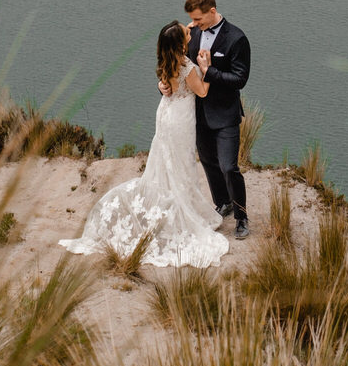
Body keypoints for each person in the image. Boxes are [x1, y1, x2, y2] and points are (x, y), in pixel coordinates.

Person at [58, 21, 229, 267]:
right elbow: (202, 92)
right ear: (181, 44)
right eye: (187, 32)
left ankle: (170, 202)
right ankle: (181, 210)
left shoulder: (165, 62)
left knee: (166, 161)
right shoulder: (187, 66)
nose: (191, 30)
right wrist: (207, 67)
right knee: (182, 164)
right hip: (181, 119)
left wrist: (165, 84)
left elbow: (166, 86)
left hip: (166, 115)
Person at [169, 0, 252, 239]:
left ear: (212, 11)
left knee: (229, 167)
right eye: (192, 20)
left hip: (225, 114)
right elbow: (177, 64)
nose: (194, 24)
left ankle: (241, 217)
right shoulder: (191, 33)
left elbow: (240, 79)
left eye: (198, 19)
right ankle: (222, 202)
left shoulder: (236, 39)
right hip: (197, 113)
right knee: (208, 162)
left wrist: (209, 70)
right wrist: (163, 85)